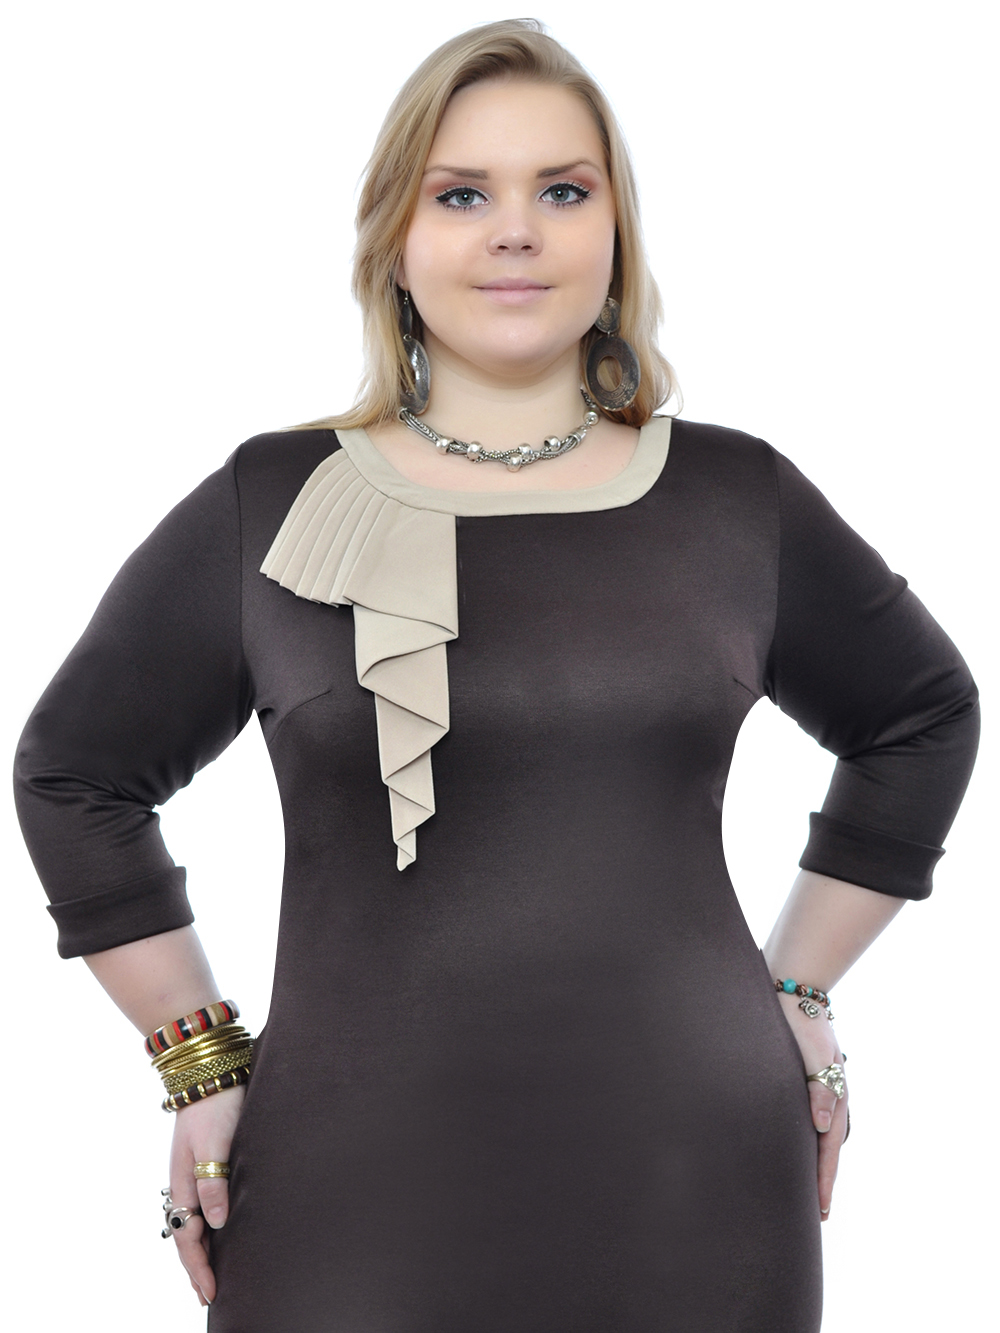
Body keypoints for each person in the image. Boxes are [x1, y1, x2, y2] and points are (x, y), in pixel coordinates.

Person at [12, 17, 979, 1332]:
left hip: (696, 1184)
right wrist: (197, 1057)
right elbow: (74, 773)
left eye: (563, 192)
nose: (515, 232)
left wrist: (799, 985)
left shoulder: (735, 499)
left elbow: (923, 713)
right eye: (462, 194)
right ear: (393, 239)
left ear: (616, 232)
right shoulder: (273, 503)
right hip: (343, 1191)